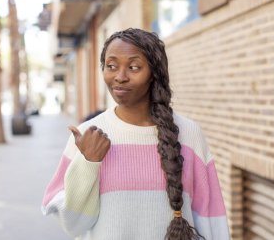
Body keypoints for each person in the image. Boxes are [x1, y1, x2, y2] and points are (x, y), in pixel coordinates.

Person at [42, 28, 229, 240]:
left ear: (154, 74)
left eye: (134, 67)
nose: (120, 77)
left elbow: (212, 219)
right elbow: (73, 225)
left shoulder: (189, 135)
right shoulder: (88, 136)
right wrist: (88, 163)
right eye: (111, 66)